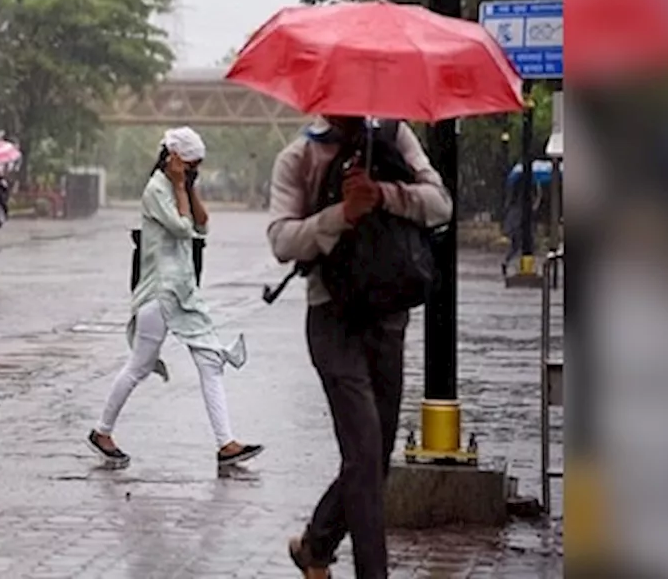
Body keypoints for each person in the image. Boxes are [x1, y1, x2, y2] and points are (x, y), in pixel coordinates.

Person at [268, 116, 452, 579]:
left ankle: (316, 544)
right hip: (332, 318)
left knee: (375, 457)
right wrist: (342, 213)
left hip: (388, 314)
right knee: (366, 454)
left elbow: (441, 205)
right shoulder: (300, 157)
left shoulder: (396, 138)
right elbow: (281, 239)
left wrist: (385, 195)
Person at [88, 127, 262, 469]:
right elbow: (182, 229)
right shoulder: (156, 189)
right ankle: (102, 431)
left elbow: (202, 225)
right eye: (191, 164)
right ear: (174, 159)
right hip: (161, 293)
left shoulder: (179, 188)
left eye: (198, 166)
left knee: (209, 361)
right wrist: (181, 186)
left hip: (182, 292)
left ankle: (225, 443)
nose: (195, 170)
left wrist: (189, 186)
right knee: (138, 367)